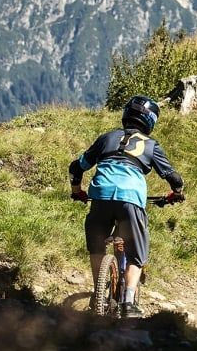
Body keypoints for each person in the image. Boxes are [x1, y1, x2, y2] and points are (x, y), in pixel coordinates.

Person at [69, 94, 185, 317]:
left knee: (96, 248)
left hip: (100, 196)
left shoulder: (107, 138)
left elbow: (77, 167)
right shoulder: (150, 145)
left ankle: (98, 293)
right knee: (136, 254)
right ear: (151, 121)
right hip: (130, 199)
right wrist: (176, 194)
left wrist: (77, 191)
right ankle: (128, 303)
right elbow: (174, 178)